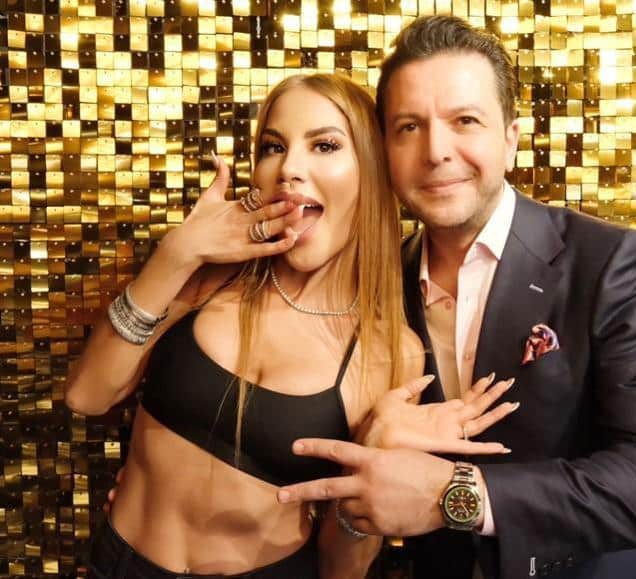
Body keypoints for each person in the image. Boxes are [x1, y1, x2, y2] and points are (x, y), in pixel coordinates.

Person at [276, 15, 636, 579]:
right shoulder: (374, 283)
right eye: (408, 126)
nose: (435, 151)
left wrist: (459, 495)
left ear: (510, 139)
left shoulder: (610, 262)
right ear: (384, 150)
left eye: (465, 121)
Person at [66, 72, 517, 579]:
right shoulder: (208, 275)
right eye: (273, 147)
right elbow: (87, 396)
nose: (289, 169)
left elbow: (342, 570)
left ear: (371, 173)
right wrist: (178, 252)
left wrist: (375, 450)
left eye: (325, 145)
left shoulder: (391, 351)